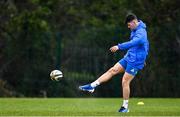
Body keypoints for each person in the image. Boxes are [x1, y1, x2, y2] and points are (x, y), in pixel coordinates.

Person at [79, 13, 149, 113]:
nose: (128, 27)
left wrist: (119, 46)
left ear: (134, 22)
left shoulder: (141, 32)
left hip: (136, 61)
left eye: (129, 25)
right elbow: (143, 45)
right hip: (130, 57)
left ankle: (125, 107)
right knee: (112, 70)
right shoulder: (134, 30)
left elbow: (134, 43)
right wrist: (144, 56)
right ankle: (92, 86)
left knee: (125, 81)